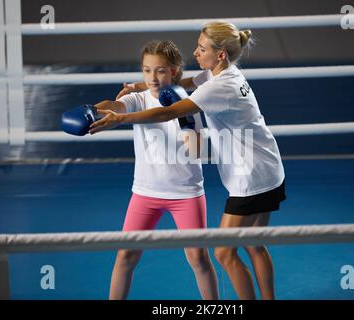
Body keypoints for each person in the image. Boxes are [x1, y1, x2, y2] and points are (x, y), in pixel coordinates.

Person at [90, 22, 286, 300]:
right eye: (148, 70)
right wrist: (123, 95)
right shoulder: (220, 74)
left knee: (223, 252)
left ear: (220, 55)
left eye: (202, 48)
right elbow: (185, 84)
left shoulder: (217, 88)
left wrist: (120, 120)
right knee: (254, 245)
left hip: (249, 177)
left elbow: (165, 114)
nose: (195, 52)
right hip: (268, 168)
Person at [84, 40, 219, 300]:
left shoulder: (190, 104)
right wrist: (92, 110)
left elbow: (198, 153)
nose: (153, 77)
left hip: (185, 193)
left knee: (199, 258)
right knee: (125, 255)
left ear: (174, 72)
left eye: (159, 70)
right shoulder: (138, 98)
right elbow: (114, 106)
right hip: (145, 193)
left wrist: (185, 121)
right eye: (147, 70)